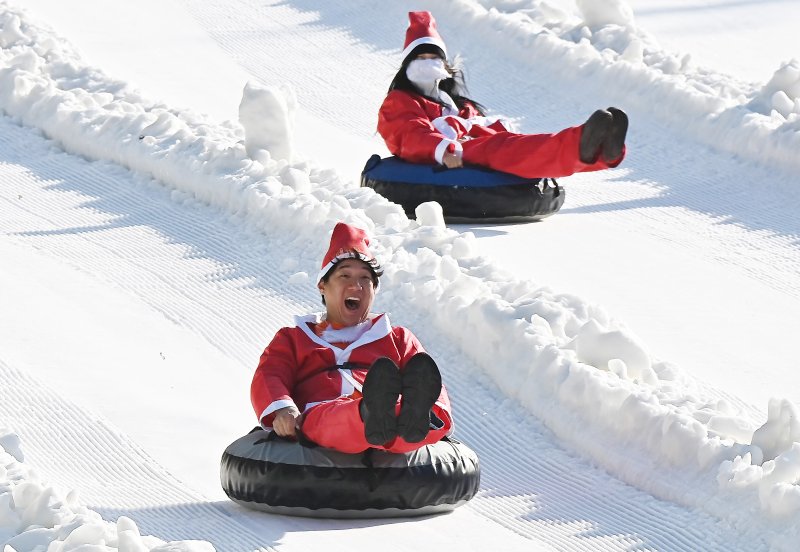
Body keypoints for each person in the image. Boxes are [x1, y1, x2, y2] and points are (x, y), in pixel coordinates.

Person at [250, 222, 452, 454]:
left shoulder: (397, 338)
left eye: (365, 278)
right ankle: (370, 415)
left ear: (374, 290)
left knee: (404, 417)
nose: (356, 285)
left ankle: (418, 419)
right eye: (344, 275)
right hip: (321, 413)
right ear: (322, 286)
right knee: (332, 418)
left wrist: (435, 407)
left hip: (393, 412)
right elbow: (269, 375)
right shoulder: (295, 338)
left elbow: (427, 381)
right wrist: (284, 409)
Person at [378, 11, 629, 179]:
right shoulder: (400, 100)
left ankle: (602, 151)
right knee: (504, 148)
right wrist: (443, 148)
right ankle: (580, 143)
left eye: (433, 57)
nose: (427, 64)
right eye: (420, 58)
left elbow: (475, 123)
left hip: (468, 147)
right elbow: (410, 135)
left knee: (523, 145)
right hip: (451, 155)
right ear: (408, 63)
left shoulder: (453, 103)